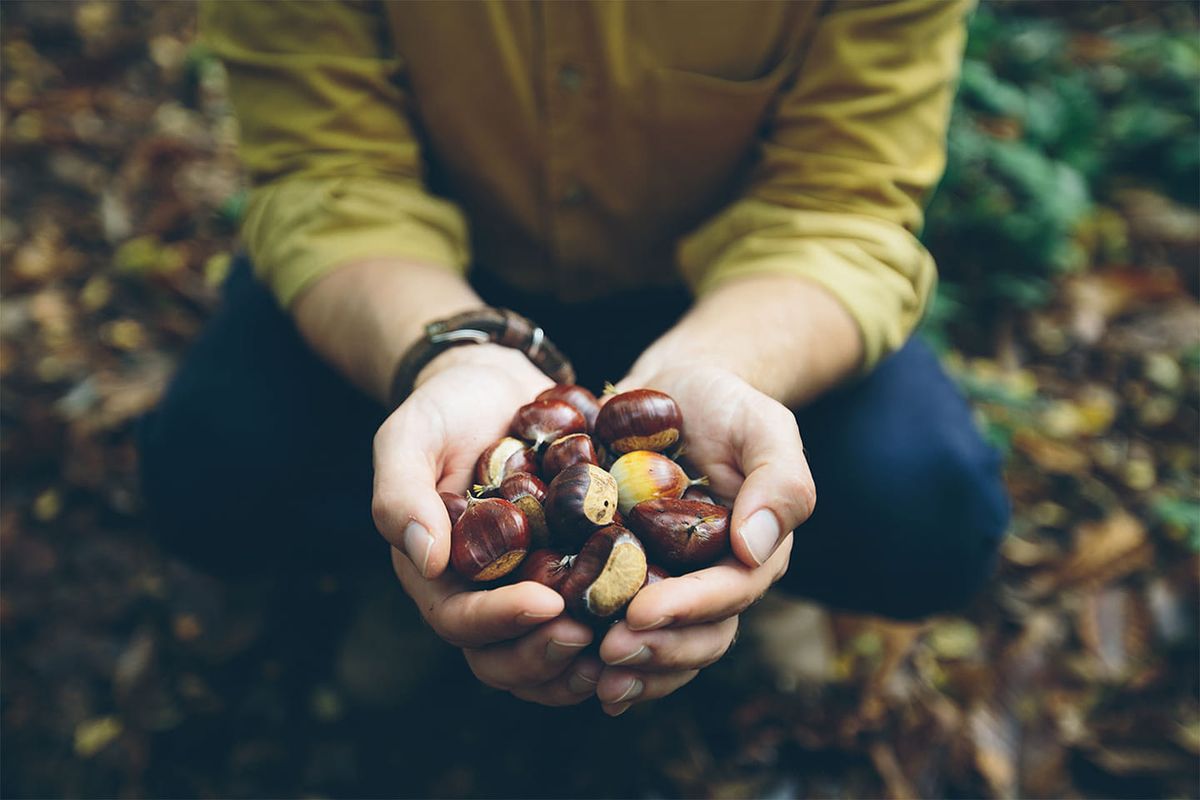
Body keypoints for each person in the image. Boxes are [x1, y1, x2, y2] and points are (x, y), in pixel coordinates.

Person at [140, 0, 1009, 717]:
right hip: (428, 282)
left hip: (725, 294)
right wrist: (455, 355)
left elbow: (842, 204)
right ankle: (404, 553)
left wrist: (724, 363)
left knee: (929, 509)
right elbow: (329, 178)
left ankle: (759, 570)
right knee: (204, 466)